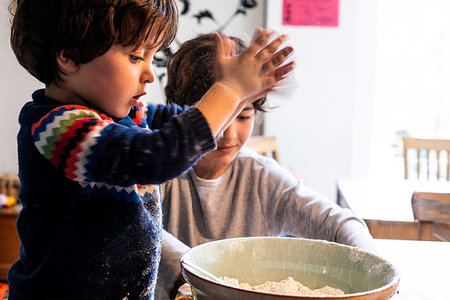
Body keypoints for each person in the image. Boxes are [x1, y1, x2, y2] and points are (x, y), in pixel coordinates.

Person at [7, 0, 295, 299]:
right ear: (69, 54)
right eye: (135, 57)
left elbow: (187, 123)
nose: (149, 74)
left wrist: (240, 94)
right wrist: (230, 91)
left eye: (151, 56)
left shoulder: (127, 116)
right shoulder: (58, 128)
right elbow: (161, 155)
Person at [156, 33, 376, 299]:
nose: (228, 134)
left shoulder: (263, 179)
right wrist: (197, 274)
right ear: (180, 114)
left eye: (244, 116)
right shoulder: (158, 171)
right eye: (218, 118)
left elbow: (339, 223)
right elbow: (143, 230)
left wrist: (373, 269)